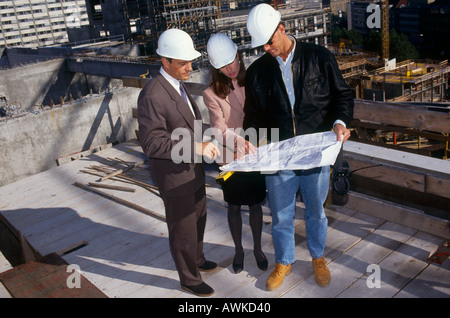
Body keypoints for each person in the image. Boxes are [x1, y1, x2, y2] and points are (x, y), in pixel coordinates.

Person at [244, 4, 354, 291]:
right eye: (262, 44)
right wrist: (252, 140)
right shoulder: (257, 72)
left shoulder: (320, 58)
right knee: (281, 214)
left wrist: (340, 122)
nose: (266, 48)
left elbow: (342, 95)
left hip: (315, 151)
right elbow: (253, 116)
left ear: (282, 29)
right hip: (279, 155)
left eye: (270, 41)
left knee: (316, 210)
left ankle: (318, 257)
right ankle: (284, 260)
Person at [137, 28, 220, 297]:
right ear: (165, 61)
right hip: (175, 176)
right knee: (182, 227)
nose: (190, 67)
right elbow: (151, 143)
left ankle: (196, 260)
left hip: (192, 170)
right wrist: (195, 147)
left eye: (190, 61)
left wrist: (204, 144)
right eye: (183, 62)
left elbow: (186, 126)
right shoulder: (153, 95)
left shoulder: (176, 85)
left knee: (198, 219)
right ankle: (189, 278)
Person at [202, 33, 268, 274]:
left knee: (255, 204)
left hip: (255, 152)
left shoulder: (252, 79)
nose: (229, 69)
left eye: (232, 62)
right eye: (222, 66)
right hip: (230, 157)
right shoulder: (211, 94)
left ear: (238, 56)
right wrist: (240, 141)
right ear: (215, 68)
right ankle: (239, 249)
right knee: (233, 205)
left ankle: (258, 248)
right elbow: (218, 131)